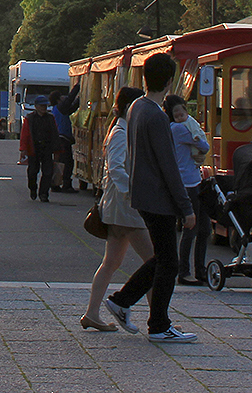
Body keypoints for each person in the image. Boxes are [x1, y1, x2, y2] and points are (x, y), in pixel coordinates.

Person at [102, 52, 197, 344]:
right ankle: (157, 323)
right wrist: (186, 207)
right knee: (170, 261)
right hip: (160, 197)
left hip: (142, 194)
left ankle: (124, 300)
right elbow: (169, 167)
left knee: (163, 257)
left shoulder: (136, 108)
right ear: (170, 81)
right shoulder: (156, 116)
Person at [81, 87, 153, 332]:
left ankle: (92, 313)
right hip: (126, 207)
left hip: (118, 206)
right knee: (153, 263)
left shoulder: (122, 130)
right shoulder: (122, 133)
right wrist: (135, 195)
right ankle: (157, 318)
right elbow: (117, 169)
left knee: (111, 262)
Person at [165, 94, 210, 285]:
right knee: (192, 228)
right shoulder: (178, 129)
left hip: (193, 180)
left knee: (204, 228)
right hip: (188, 182)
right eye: (177, 113)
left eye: (182, 112)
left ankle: (199, 270)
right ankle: (185, 271)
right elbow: (204, 145)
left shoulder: (174, 127)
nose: (181, 116)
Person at [21, 95, 57, 201]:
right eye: (41, 106)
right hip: (34, 148)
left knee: (48, 172)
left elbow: (55, 134)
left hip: (47, 148)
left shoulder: (50, 118)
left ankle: (43, 194)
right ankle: (33, 188)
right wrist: (23, 149)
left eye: (45, 106)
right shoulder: (30, 118)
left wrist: (57, 150)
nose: (44, 108)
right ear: (36, 106)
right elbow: (25, 135)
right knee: (32, 172)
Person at [51, 90, 76, 191]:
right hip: (63, 138)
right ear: (58, 99)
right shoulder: (61, 107)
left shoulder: (59, 109)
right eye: (61, 96)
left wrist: (79, 100)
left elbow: (72, 108)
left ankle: (56, 183)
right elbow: (70, 100)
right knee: (67, 162)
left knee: (62, 162)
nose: (64, 97)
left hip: (61, 138)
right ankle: (65, 183)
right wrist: (78, 86)